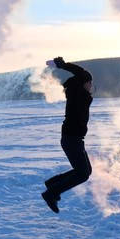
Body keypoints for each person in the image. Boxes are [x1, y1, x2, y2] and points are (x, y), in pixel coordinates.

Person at [41, 56, 93, 213]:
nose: (91, 85)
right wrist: (62, 65)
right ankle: (51, 192)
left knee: (86, 171)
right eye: (89, 82)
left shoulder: (77, 94)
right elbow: (82, 73)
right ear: (82, 83)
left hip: (75, 139)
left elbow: (82, 76)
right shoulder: (77, 93)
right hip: (71, 139)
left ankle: (52, 184)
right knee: (82, 174)